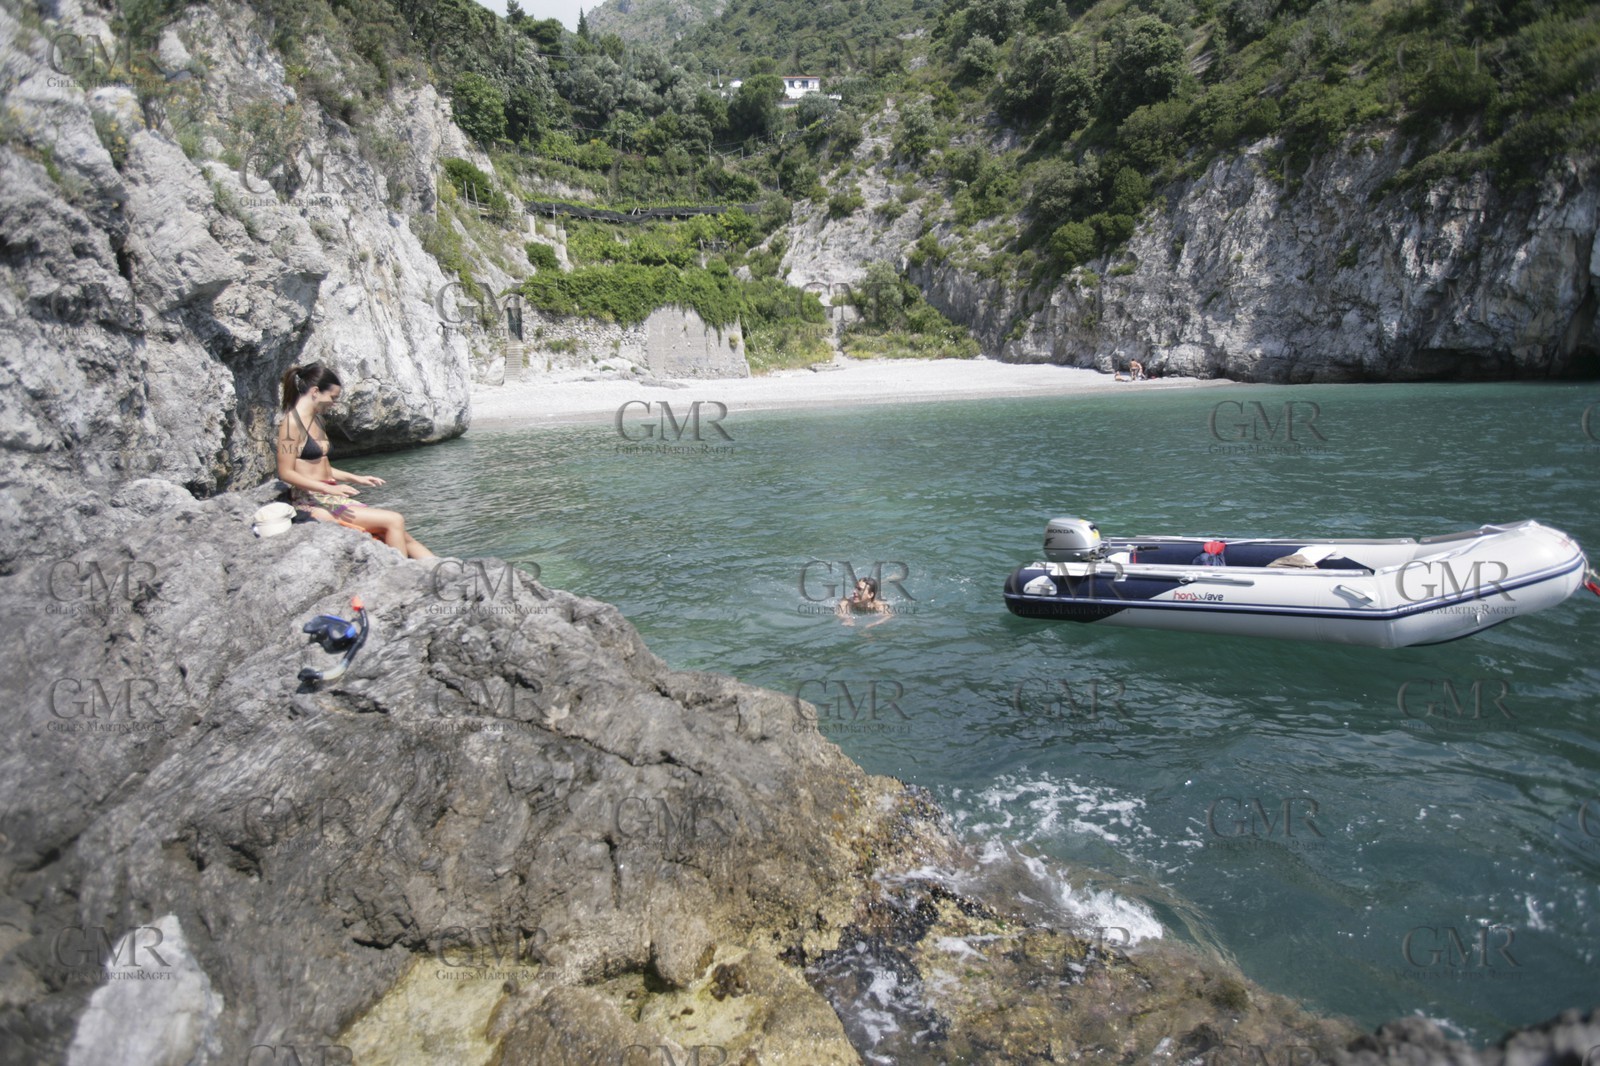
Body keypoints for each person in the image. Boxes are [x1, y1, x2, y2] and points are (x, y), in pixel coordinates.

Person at [275, 363, 436, 560]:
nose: (333, 403)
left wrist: (356, 478)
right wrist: (329, 489)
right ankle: (399, 577)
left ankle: (448, 571)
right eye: (332, 397)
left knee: (402, 534)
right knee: (394, 520)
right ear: (315, 392)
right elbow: (286, 472)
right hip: (313, 500)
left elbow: (320, 466)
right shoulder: (291, 424)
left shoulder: (317, 420)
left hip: (331, 497)